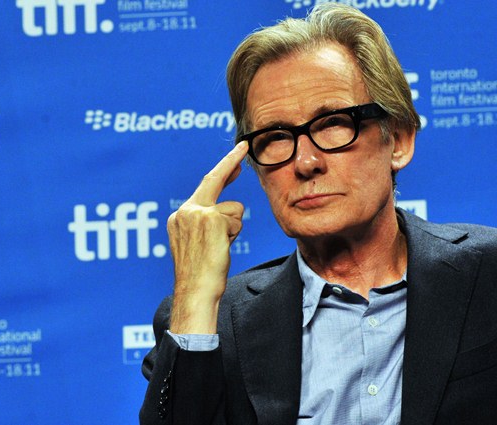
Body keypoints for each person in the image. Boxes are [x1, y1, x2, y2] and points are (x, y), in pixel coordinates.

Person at [139, 3, 497, 424]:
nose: (305, 162)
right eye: (276, 136)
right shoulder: (209, 324)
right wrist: (195, 294)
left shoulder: (487, 274)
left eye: (332, 124)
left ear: (399, 140)